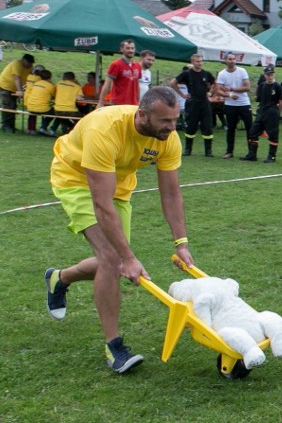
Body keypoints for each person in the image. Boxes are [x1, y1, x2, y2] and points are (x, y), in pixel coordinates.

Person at [44, 86, 193, 374]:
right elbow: (101, 203)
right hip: (75, 178)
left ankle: (59, 279)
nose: (172, 128)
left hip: (120, 187)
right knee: (113, 258)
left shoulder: (168, 139)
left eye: (175, 120)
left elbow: (171, 194)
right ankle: (114, 347)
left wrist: (181, 242)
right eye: (165, 121)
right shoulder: (106, 128)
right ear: (143, 115)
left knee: (108, 261)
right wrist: (127, 257)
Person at [171, 54, 216, 157]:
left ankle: (208, 151)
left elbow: (215, 82)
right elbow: (173, 83)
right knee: (191, 125)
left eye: (201, 61)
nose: (199, 63)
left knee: (207, 126)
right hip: (193, 102)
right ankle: (188, 149)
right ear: (192, 62)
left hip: (205, 103)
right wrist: (182, 95)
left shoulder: (206, 73)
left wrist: (210, 93)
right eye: (197, 61)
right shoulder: (187, 74)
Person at [240, 65, 282, 163]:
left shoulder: (277, 86)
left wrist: (278, 112)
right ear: (265, 75)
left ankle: (271, 156)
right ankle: (252, 154)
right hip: (262, 111)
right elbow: (257, 98)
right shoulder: (262, 85)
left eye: (271, 74)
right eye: (268, 74)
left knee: (272, 134)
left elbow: (281, 101)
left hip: (272, 112)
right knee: (253, 132)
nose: (270, 76)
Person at [216, 52, 252, 159]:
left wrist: (232, 89)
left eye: (233, 59)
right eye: (230, 59)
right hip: (230, 105)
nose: (232, 61)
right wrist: (230, 95)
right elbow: (218, 90)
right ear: (226, 60)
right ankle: (229, 151)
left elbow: (247, 87)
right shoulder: (222, 74)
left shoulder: (242, 71)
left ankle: (252, 152)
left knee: (249, 128)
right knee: (231, 129)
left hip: (244, 103)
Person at [96, 40, 142, 108]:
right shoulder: (116, 64)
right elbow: (107, 84)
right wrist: (101, 102)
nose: (131, 50)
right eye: (128, 48)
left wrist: (138, 101)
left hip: (133, 104)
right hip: (118, 103)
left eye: (132, 48)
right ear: (121, 49)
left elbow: (137, 85)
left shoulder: (138, 66)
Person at [0, 52, 34, 133]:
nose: (30, 65)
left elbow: (31, 77)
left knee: (13, 106)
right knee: (8, 106)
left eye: (31, 63)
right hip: (5, 86)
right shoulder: (16, 64)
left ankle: (11, 125)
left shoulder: (29, 67)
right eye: (29, 63)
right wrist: (20, 91)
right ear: (23, 60)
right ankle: (6, 126)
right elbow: (17, 78)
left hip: (14, 88)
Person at [48, 71, 81, 135]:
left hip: (57, 110)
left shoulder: (59, 83)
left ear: (64, 77)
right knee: (81, 119)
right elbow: (80, 98)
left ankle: (67, 129)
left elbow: (53, 94)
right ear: (73, 78)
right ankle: (72, 130)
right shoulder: (77, 86)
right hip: (71, 111)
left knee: (62, 117)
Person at [26, 69, 56, 136]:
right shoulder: (50, 86)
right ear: (50, 77)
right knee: (55, 111)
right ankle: (44, 127)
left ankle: (30, 129)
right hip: (42, 109)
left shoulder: (36, 83)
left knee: (33, 111)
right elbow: (54, 96)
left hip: (30, 107)